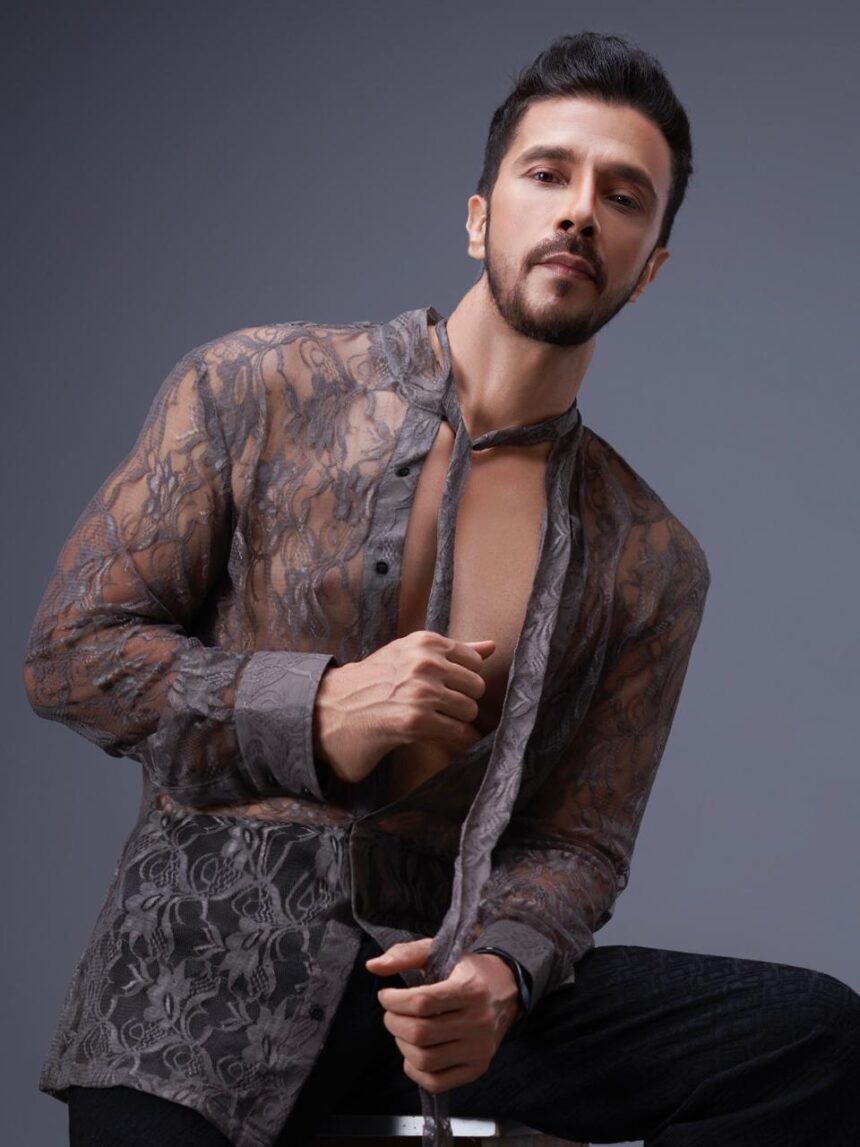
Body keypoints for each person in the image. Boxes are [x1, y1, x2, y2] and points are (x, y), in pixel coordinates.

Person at [23, 29, 859, 1147]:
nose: (579, 212)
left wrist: (501, 974)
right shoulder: (257, 387)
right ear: (478, 217)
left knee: (807, 1036)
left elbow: (580, 841)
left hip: (431, 986)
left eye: (622, 196)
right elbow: (71, 654)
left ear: (649, 265)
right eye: (547, 173)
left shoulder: (650, 556)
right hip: (198, 986)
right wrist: (317, 705)